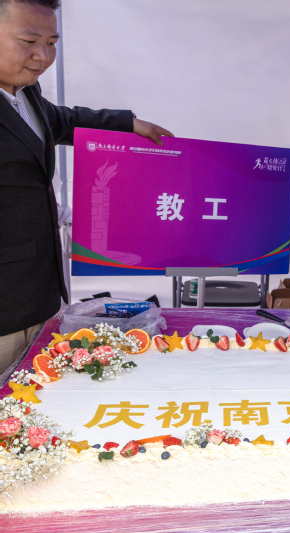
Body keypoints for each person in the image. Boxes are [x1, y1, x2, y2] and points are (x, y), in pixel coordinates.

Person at [0, 0, 172, 375]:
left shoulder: (24, 91)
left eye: (51, 43)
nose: (43, 56)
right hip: (4, 308)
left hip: (39, 293)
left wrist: (128, 124)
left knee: (35, 395)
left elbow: (61, 120)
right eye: (28, 41)